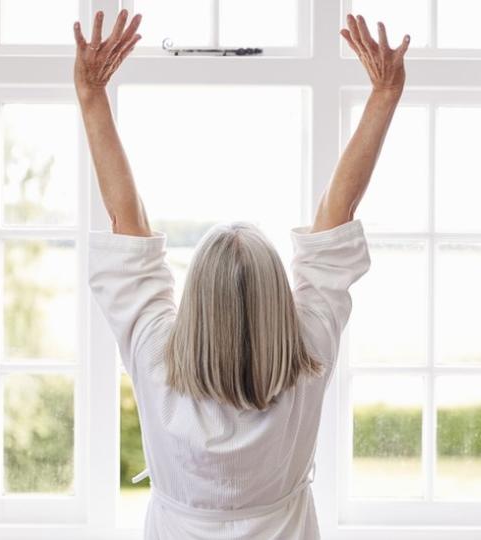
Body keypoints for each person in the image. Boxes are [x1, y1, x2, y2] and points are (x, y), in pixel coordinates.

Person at [73, 9, 409, 539]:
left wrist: (92, 95)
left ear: (197, 299)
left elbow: (125, 221)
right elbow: (336, 213)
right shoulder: (309, 350)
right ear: (277, 296)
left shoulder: (155, 352)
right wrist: (384, 95)